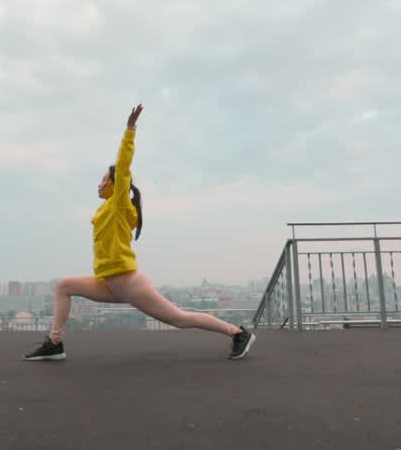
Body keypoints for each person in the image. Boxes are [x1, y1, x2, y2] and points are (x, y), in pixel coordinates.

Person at [26, 104, 256, 361]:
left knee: (179, 319)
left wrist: (130, 130)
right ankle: (55, 344)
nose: (100, 183)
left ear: (116, 185)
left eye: (105, 179)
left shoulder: (119, 205)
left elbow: (123, 166)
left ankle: (238, 333)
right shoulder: (106, 210)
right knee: (64, 286)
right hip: (108, 281)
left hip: (128, 282)